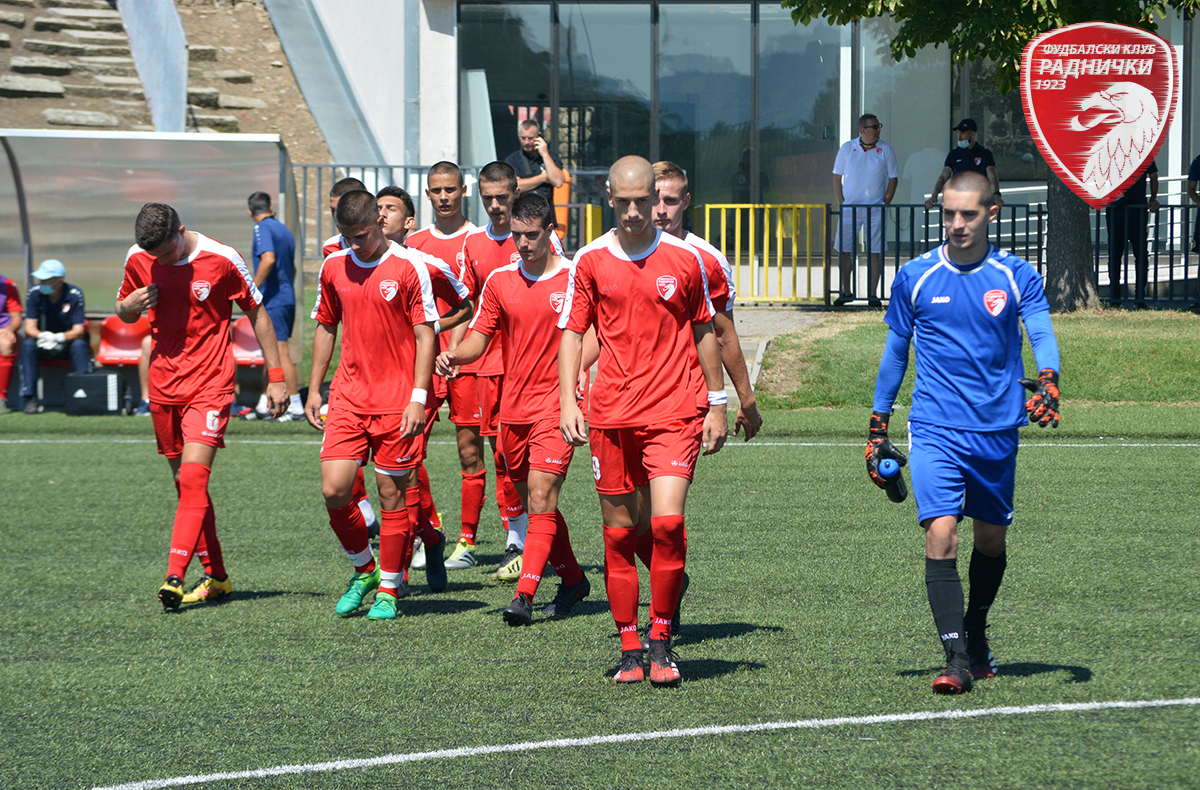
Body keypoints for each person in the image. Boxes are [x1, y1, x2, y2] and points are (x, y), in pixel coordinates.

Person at [867, 171, 1061, 695]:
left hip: (997, 429)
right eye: (949, 213)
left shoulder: (1016, 274)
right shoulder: (916, 274)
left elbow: (1040, 329)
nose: (956, 224)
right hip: (934, 426)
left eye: (968, 214)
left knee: (991, 540)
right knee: (941, 534)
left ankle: (976, 627)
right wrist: (877, 424)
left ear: (991, 213)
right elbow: (895, 353)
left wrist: (1049, 379)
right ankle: (954, 658)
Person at [559, 155, 728, 687]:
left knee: (667, 524)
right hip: (609, 413)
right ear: (609, 198)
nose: (635, 212)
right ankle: (630, 647)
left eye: (644, 201)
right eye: (624, 201)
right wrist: (568, 401)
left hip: (674, 410)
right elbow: (572, 334)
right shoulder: (588, 260)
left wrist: (718, 401)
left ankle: (661, 638)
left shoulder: (686, 259)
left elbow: (706, 330)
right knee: (618, 533)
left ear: (655, 197)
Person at [117, 203, 289, 610]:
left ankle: (174, 575)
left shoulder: (222, 258)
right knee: (186, 486)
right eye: (155, 256)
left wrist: (276, 377)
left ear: (181, 229)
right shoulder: (137, 256)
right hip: (162, 387)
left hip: (210, 386)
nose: (162, 260)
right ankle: (217, 576)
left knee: (194, 479)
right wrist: (131, 306)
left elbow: (257, 313)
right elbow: (124, 312)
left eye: (167, 252)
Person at [436, 192, 593, 625]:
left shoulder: (574, 278)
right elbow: (479, 336)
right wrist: (456, 355)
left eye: (530, 236)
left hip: (556, 408)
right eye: (516, 236)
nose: (521, 244)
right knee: (537, 505)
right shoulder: (501, 282)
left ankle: (524, 595)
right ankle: (575, 581)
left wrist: (576, 378)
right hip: (513, 409)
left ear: (549, 232)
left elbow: (593, 334)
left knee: (542, 496)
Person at [305, 190, 440, 620]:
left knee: (390, 495)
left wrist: (418, 397)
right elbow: (326, 326)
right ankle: (364, 569)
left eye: (361, 236)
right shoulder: (333, 266)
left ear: (379, 222)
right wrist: (313, 389)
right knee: (334, 489)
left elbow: (425, 335)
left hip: (397, 400)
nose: (355, 245)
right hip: (347, 396)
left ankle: (388, 589)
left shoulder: (409, 266)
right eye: (347, 237)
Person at [377, 184, 473, 583]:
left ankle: (396, 568)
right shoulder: (352, 261)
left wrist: (431, 330)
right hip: (372, 387)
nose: (382, 215)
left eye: (391, 209)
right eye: (377, 208)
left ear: (409, 221)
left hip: (418, 383)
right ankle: (430, 537)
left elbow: (466, 304)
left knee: (408, 469)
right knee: (397, 475)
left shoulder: (426, 264)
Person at [451, 161, 534, 581]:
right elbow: (468, 308)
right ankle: (471, 540)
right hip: (480, 363)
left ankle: (517, 541)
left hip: (522, 367)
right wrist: (452, 351)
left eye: (504, 197)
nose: (497, 206)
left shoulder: (537, 239)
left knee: (509, 457)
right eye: (489, 199)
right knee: (472, 450)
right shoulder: (473, 245)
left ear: (516, 192)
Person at [406, 162, 482, 569]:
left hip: (470, 360)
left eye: (451, 189)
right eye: (437, 190)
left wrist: (458, 346)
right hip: (426, 364)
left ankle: (470, 543)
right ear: (429, 194)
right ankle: (429, 532)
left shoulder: (480, 239)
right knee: (408, 451)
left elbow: (477, 305)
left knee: (472, 453)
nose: (444, 197)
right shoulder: (414, 244)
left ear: (464, 190)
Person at [247, 191, 304, 419]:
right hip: (285, 295)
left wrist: (251, 289)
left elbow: (268, 259)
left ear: (250, 212)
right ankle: (263, 404)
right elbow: (293, 269)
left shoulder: (262, 228)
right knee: (270, 351)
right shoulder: (284, 230)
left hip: (274, 298)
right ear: (271, 207)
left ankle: (297, 406)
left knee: (280, 352)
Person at [833, 114, 898, 307]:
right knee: (845, 250)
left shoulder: (885, 149)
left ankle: (872, 295)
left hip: (875, 208)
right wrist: (842, 202)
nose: (879, 129)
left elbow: (893, 178)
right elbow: (836, 176)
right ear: (863, 130)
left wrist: (885, 201)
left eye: (879, 126)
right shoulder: (847, 148)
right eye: (875, 126)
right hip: (850, 208)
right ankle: (846, 291)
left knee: (875, 251)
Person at [19, 259, 92, 414]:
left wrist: (59, 338)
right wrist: (44, 336)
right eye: (41, 279)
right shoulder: (34, 293)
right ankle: (29, 397)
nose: (42, 282)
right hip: (43, 342)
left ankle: (83, 393)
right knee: (28, 346)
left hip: (68, 342)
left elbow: (79, 329)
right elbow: (29, 327)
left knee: (79, 345)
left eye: (46, 280)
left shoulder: (74, 294)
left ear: (60, 280)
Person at [1105, 160, 1159, 308]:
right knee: (1115, 254)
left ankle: (1139, 297)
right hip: (1116, 209)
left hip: (1137, 209)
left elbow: (1154, 176)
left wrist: (1153, 199)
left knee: (1140, 254)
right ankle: (1115, 297)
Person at [924, 119, 1005, 211]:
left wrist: (996, 195)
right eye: (958, 133)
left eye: (963, 133)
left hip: (978, 203)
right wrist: (934, 196)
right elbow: (943, 177)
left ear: (972, 134)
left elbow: (992, 176)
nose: (959, 137)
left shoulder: (984, 153)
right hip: (958, 203)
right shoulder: (954, 154)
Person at [505, 119, 565, 206]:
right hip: (522, 213)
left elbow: (558, 182)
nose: (526, 142)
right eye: (523, 138)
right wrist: (543, 178)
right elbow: (514, 187)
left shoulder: (551, 156)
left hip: (547, 212)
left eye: (530, 138)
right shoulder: (513, 159)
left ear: (538, 136)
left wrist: (545, 154)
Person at [0, 273, 21, 412]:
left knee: (6, 343)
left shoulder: (8, 285)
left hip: (1, 331)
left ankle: (1, 398)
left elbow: (17, 318)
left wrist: (9, 328)